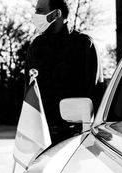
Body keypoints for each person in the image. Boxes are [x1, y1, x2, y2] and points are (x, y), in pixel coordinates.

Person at [26, 0, 104, 144]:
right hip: (42, 136)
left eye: (40, 11)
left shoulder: (84, 45)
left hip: (76, 136)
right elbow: (29, 91)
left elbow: (95, 92)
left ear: (56, 14)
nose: (35, 15)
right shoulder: (36, 47)